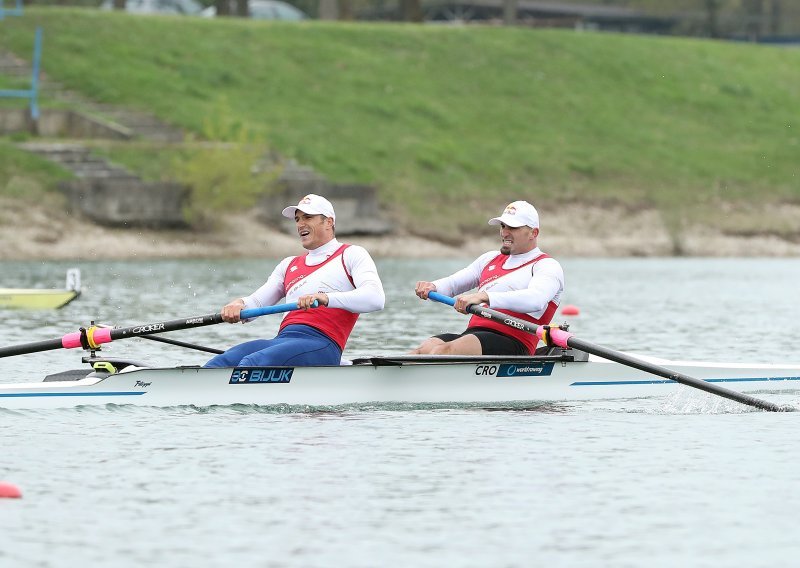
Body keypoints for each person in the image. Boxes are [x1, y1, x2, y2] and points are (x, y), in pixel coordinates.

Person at [205, 194, 385, 367]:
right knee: (220, 363)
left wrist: (326, 298)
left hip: (323, 344)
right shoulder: (288, 264)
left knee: (253, 363)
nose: (300, 224)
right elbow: (257, 303)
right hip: (283, 341)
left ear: (328, 222)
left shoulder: (351, 254)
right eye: (297, 219)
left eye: (307, 217)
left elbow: (375, 298)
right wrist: (239, 304)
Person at [411, 200, 564, 356]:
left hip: (514, 344)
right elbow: (452, 284)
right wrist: (432, 286)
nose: (504, 233)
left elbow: (535, 300)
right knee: (422, 351)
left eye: (513, 227)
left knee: (442, 351)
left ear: (534, 233)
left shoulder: (546, 266)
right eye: (503, 226)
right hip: (474, 336)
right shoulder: (489, 259)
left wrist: (483, 296)